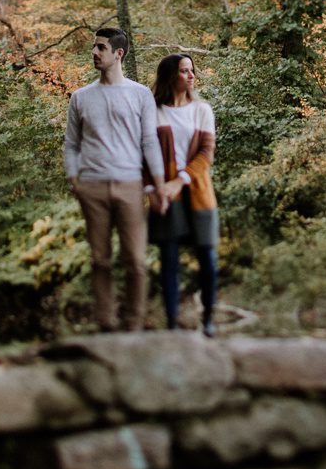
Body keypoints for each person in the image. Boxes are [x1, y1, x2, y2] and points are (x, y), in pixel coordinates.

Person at [63, 28, 165, 332]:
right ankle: (106, 323)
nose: (94, 53)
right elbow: (71, 144)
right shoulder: (81, 97)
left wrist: (159, 185)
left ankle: (133, 323)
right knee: (100, 259)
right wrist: (74, 180)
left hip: (130, 185)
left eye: (101, 48)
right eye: (94, 47)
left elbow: (150, 142)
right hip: (92, 186)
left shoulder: (140, 94)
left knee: (135, 259)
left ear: (118, 53)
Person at [149, 52, 220, 336]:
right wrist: (152, 190)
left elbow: (206, 154)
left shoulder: (202, 110)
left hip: (199, 193)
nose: (191, 75)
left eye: (192, 70)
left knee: (209, 259)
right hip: (165, 194)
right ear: (169, 76)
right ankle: (171, 323)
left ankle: (209, 321)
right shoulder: (154, 112)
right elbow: (146, 154)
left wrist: (180, 180)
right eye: (183, 71)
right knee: (169, 259)